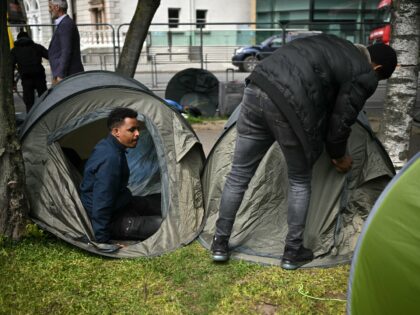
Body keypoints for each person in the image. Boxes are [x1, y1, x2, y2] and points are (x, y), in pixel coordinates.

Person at [211, 34, 397, 270]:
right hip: (287, 104)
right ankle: (292, 251)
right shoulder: (363, 72)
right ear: (377, 67)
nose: (375, 81)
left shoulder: (334, 44)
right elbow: (342, 120)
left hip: (256, 85)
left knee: (238, 175)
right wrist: (338, 155)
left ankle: (219, 243)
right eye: (379, 77)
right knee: (299, 180)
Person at [80, 108, 161, 252]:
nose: (137, 134)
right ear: (116, 132)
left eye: (138, 129)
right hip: (112, 219)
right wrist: (103, 240)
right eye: (132, 130)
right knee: (162, 224)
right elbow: (101, 201)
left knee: (161, 202)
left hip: (122, 204)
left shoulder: (111, 146)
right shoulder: (110, 159)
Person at [11, 31, 49, 112]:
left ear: (18, 39)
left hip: (26, 78)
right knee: (44, 99)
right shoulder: (37, 47)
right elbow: (50, 56)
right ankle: (46, 116)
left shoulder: (14, 50)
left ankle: (31, 120)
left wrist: (12, 82)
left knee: (29, 103)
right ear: (28, 38)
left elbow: (11, 67)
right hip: (39, 76)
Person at [48, 0, 84, 85]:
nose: (49, 10)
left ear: (57, 7)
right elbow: (58, 51)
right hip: (67, 75)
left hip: (67, 76)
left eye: (50, 7)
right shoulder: (65, 23)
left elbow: (66, 51)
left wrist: (60, 75)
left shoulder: (65, 24)